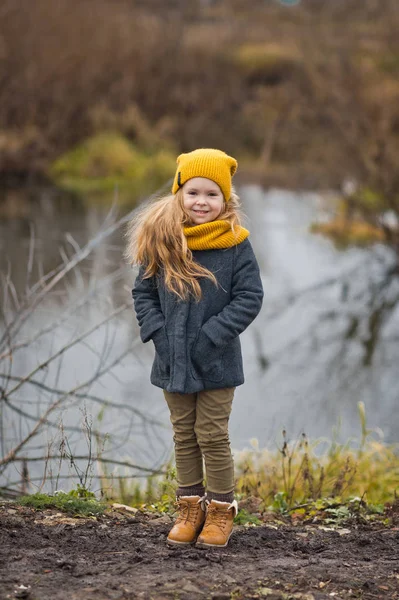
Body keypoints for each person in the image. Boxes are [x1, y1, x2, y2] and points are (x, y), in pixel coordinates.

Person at [126, 148, 263, 548]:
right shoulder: (163, 240)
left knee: (212, 433)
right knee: (184, 434)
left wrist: (210, 336)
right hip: (171, 358)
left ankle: (221, 511)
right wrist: (159, 334)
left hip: (217, 360)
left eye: (212, 194)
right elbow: (143, 292)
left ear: (226, 200)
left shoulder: (236, 244)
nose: (201, 202)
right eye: (193, 193)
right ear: (179, 194)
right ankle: (190, 507)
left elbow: (249, 298)